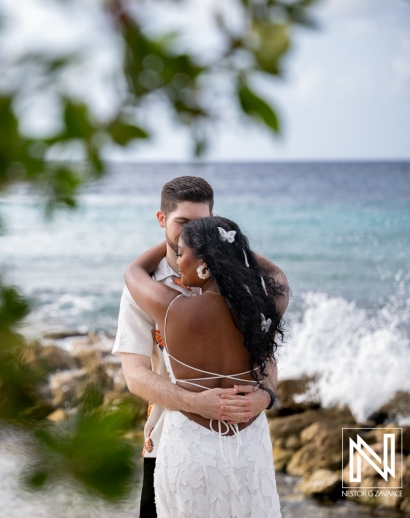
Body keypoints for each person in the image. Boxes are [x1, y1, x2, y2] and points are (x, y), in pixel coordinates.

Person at [111, 176, 286, 517]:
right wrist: (195, 402)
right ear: (162, 220)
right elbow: (135, 376)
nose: (189, 235)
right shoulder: (148, 290)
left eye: (200, 225)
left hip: (241, 440)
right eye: (181, 224)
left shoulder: (243, 290)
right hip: (168, 442)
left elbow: (267, 360)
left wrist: (265, 396)